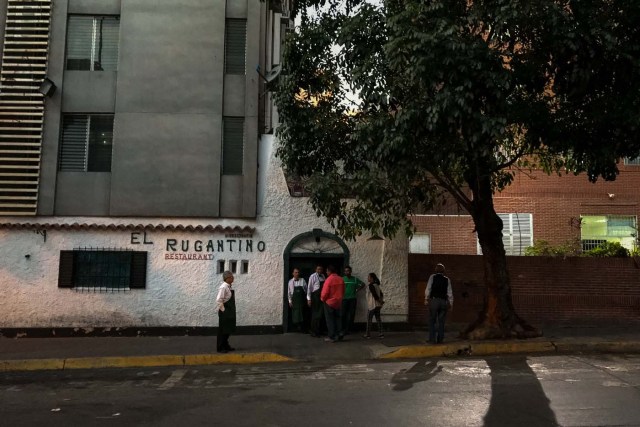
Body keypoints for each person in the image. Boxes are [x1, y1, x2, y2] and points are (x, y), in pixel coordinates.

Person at [424, 263, 453, 344]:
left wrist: (426, 298)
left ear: (436, 270)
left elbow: (428, 288)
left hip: (434, 301)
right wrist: (451, 303)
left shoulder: (432, 277)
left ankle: (432, 339)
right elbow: (450, 292)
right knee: (441, 322)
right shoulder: (447, 279)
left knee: (432, 321)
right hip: (443, 301)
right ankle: (440, 339)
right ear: (444, 271)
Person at [320, 265, 345, 342]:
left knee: (330, 320)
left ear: (330, 271)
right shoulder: (341, 279)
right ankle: (340, 334)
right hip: (338, 302)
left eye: (327, 271)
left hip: (329, 303)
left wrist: (322, 299)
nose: (326, 272)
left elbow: (325, 292)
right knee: (338, 318)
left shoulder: (329, 280)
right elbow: (343, 290)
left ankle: (332, 336)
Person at [341, 265, 365, 335]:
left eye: (348, 271)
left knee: (351, 315)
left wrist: (357, 289)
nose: (347, 272)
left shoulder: (354, 279)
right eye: (345, 271)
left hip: (352, 299)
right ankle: (342, 329)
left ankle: (349, 329)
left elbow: (363, 284)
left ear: (351, 271)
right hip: (344, 299)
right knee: (343, 314)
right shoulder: (342, 279)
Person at [216, 271, 236, 353]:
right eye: (231, 277)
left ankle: (226, 345)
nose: (233, 278)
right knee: (223, 330)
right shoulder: (223, 287)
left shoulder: (229, 287)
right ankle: (220, 348)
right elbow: (218, 300)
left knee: (228, 329)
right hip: (225, 312)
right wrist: (224, 311)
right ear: (227, 278)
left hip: (229, 311)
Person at [307, 265, 326, 337]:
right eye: (318, 269)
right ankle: (314, 331)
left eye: (321, 269)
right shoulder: (312, 276)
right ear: (316, 269)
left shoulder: (323, 276)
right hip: (315, 296)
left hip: (321, 296)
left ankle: (320, 330)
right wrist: (309, 299)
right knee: (315, 314)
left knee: (321, 314)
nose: (319, 271)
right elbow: (309, 288)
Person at [363, 272, 384, 339]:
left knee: (369, 319)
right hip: (378, 305)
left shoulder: (371, 286)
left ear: (372, 278)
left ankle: (367, 334)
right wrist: (381, 301)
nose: (368, 278)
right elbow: (381, 294)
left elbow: (374, 295)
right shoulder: (377, 285)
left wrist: (379, 300)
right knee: (378, 319)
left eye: (369, 277)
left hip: (372, 305)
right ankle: (381, 334)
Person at [288, 268, 308, 332]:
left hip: (301, 300)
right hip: (295, 301)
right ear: (293, 273)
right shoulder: (290, 282)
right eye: (295, 272)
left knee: (302, 314)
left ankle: (303, 328)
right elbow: (289, 292)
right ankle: (296, 328)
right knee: (295, 314)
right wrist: (290, 301)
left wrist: (307, 299)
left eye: (298, 272)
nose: (297, 274)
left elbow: (306, 290)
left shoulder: (303, 280)